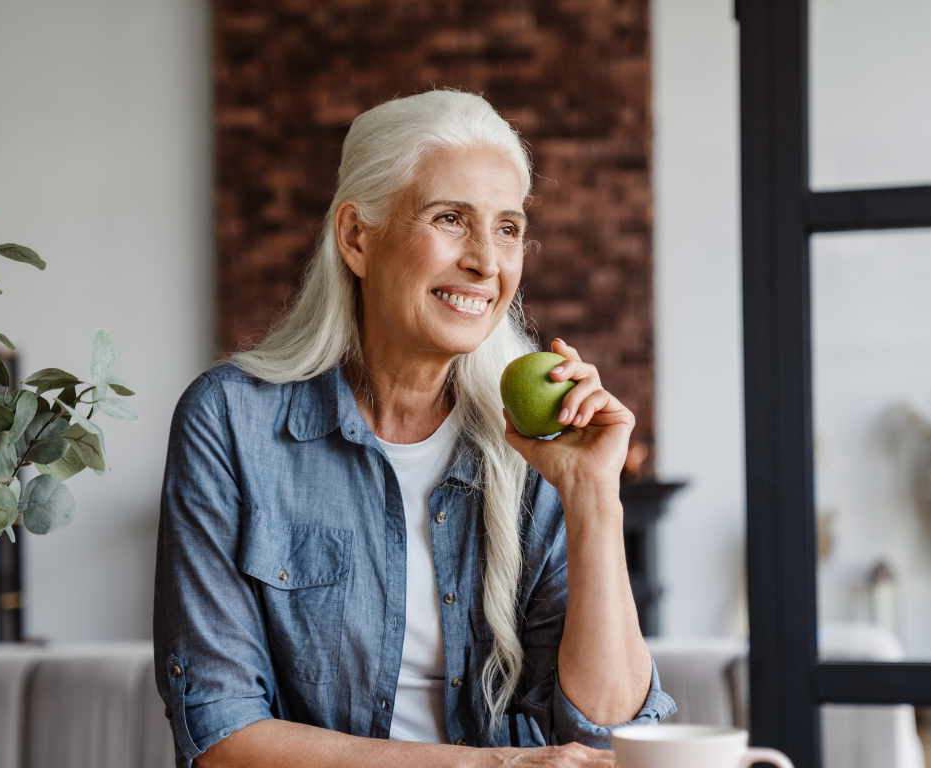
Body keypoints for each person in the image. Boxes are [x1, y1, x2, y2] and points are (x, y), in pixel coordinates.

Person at [154, 89, 675, 768]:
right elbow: (221, 736)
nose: (487, 262)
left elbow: (608, 736)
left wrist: (593, 497)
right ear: (356, 237)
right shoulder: (230, 423)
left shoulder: (535, 441)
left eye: (508, 227)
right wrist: (487, 767)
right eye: (451, 218)